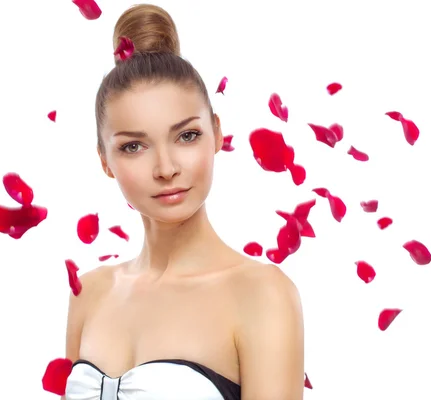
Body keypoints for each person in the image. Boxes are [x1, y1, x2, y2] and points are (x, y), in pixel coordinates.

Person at [63, 4, 304, 400]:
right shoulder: (89, 294)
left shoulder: (261, 294)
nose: (166, 167)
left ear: (217, 133)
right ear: (105, 159)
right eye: (134, 146)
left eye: (186, 136)